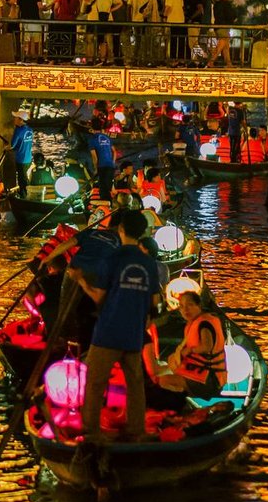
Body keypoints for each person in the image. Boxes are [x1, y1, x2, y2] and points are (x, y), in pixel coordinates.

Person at [74, 208, 160, 443]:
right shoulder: (149, 264)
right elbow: (155, 303)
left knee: (95, 382)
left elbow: (99, 297)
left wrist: (81, 280)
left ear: (120, 229)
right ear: (142, 232)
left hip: (108, 332)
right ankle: (137, 431)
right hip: (134, 334)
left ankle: (91, 432)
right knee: (135, 384)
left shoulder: (111, 259)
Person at [145, 289, 225, 409]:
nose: (185, 310)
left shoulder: (204, 324)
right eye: (182, 306)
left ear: (199, 305)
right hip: (201, 373)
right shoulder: (194, 323)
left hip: (209, 378)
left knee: (163, 381)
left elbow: (207, 346)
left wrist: (188, 351)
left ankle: (181, 407)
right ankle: (184, 406)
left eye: (190, 305)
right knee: (167, 373)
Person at [87, 118, 117, 202]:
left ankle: (105, 205)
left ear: (91, 127)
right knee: (109, 186)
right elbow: (114, 151)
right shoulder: (107, 138)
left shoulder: (92, 139)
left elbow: (94, 157)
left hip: (102, 166)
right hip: (110, 165)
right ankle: (111, 203)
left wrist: (95, 169)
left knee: (103, 189)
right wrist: (113, 162)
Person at [9, 109, 34, 197]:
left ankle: (24, 197)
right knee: (25, 178)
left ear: (20, 119)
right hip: (28, 158)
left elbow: (12, 145)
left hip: (20, 159)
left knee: (22, 180)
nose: (14, 119)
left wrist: (6, 146)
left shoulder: (18, 130)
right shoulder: (30, 130)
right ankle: (27, 194)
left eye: (16, 118)